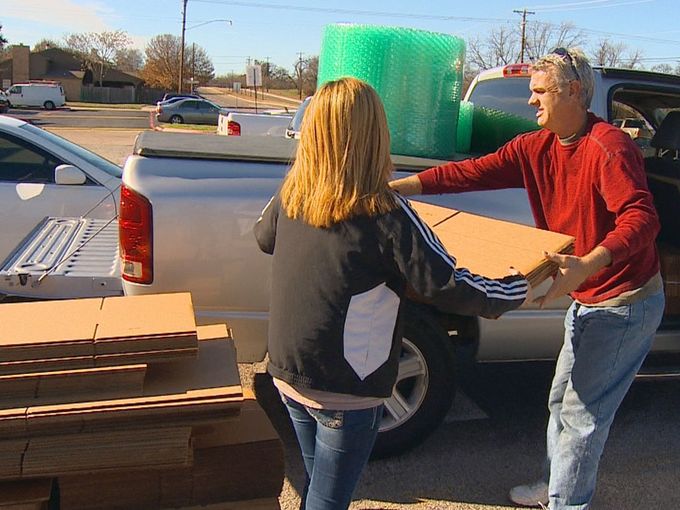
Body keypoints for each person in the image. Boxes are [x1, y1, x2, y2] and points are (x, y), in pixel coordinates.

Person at [390, 48, 665, 509]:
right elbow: (471, 173)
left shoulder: (608, 147)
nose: (531, 102)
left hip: (625, 303)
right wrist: (399, 188)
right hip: (589, 298)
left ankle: (566, 501)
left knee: (582, 415)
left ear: (574, 92)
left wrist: (587, 263)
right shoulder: (535, 146)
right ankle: (555, 486)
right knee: (561, 404)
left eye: (540, 92)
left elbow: (642, 218)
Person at [254, 77, 528, 510]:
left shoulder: (291, 194)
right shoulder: (386, 211)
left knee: (316, 486)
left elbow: (263, 237)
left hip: (289, 372)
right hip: (347, 387)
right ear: (374, 136)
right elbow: (447, 283)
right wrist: (515, 286)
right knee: (328, 499)